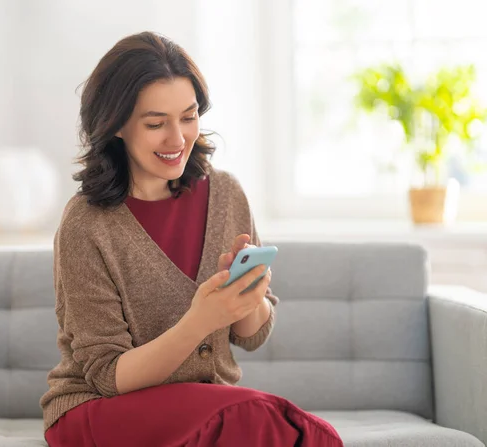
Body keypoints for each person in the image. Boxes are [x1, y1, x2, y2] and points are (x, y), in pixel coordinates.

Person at [40, 31, 343, 447]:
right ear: (117, 126)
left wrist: (247, 295)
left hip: (207, 408)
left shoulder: (225, 193)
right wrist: (201, 318)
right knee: (265, 421)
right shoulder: (86, 223)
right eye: (155, 123)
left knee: (253, 421)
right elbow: (108, 376)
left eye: (188, 115)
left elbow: (252, 335)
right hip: (100, 411)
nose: (178, 138)